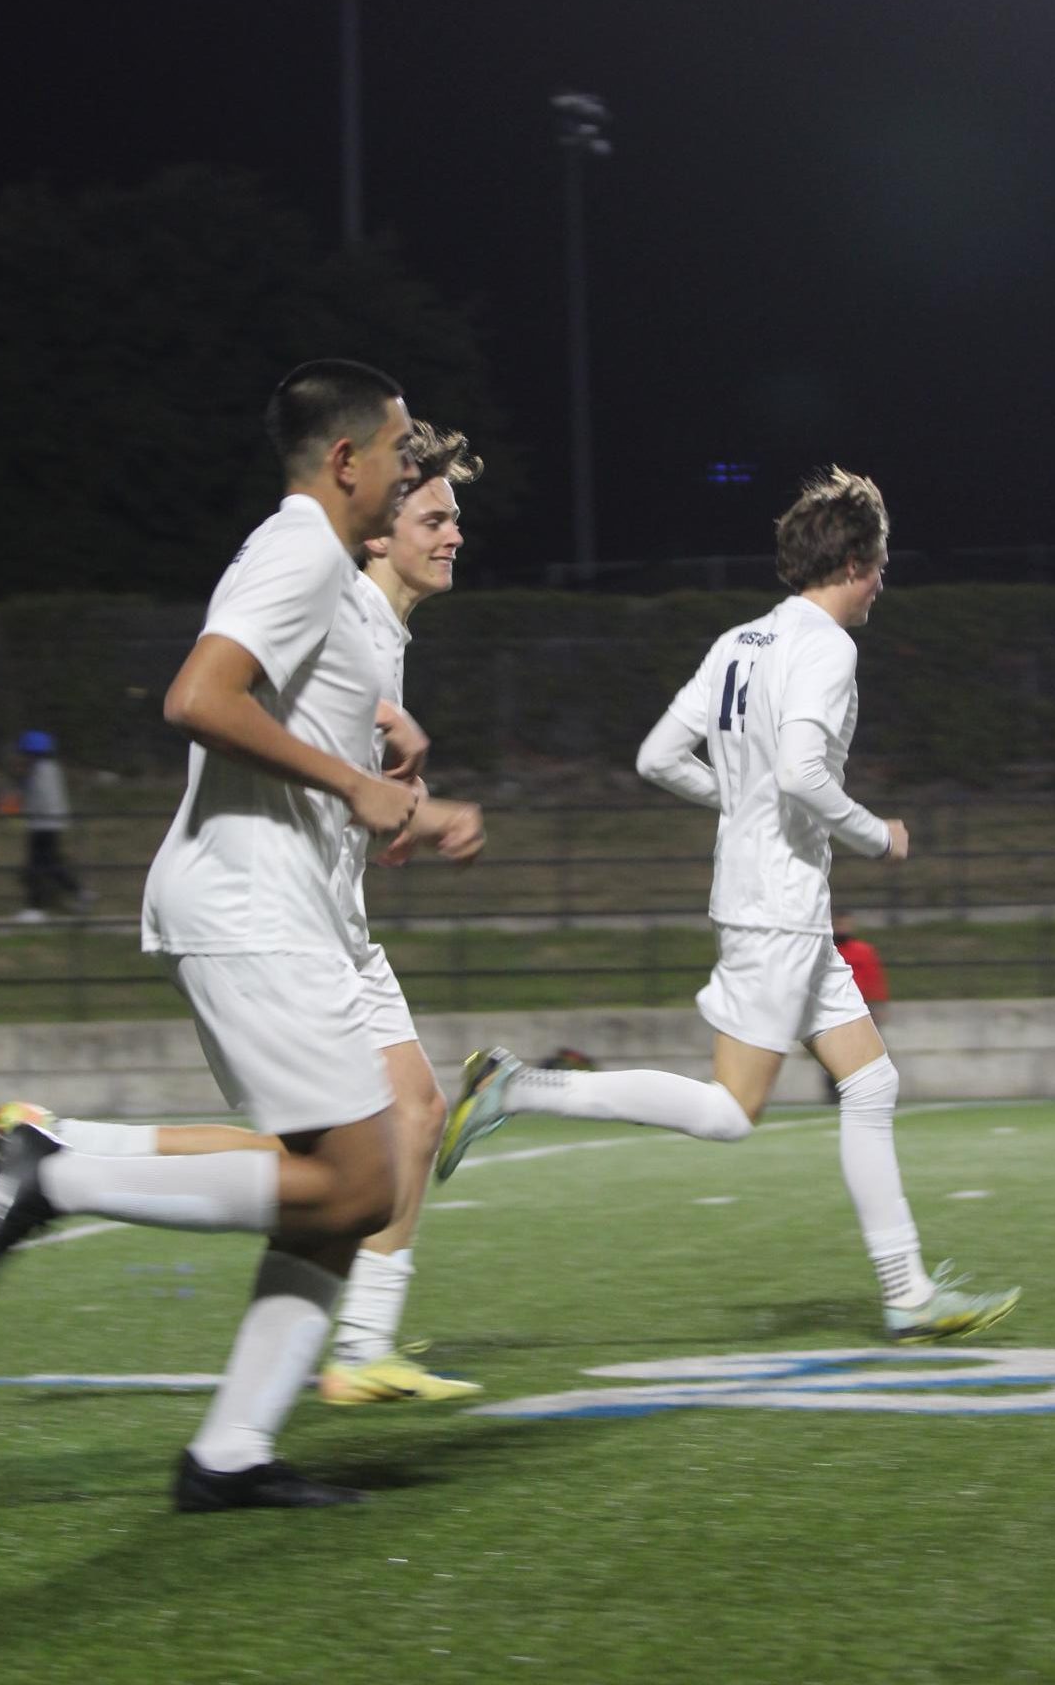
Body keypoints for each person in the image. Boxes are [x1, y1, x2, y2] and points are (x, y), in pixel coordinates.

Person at [0, 358, 455, 1512]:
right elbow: (199, 696)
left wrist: (385, 745)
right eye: (395, 449)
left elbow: (297, 685)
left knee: (355, 1180)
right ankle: (59, 1172)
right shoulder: (295, 544)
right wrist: (355, 783)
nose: (406, 466)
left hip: (300, 912)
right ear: (345, 462)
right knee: (353, 1185)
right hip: (249, 905)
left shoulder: (324, 565)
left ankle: (229, 1453)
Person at [435, 467, 1019, 1345]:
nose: (886, 579)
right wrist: (876, 835)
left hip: (781, 904)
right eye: (883, 562)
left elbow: (657, 757)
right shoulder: (827, 647)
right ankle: (521, 1086)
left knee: (870, 1079)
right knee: (729, 1112)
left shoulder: (739, 640)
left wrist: (739, 806)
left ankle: (906, 1290)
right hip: (779, 906)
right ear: (858, 562)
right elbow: (800, 773)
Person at [9, 730, 91, 921]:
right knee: (50, 864)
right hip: (49, 823)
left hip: (43, 824)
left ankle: (35, 908)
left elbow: (32, 797)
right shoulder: (50, 768)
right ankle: (79, 893)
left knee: (37, 865)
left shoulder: (40, 771)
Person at [825, 912, 889, 1102]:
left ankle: (877, 1089)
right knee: (832, 1050)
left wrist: (878, 1004)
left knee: (871, 1048)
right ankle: (834, 1092)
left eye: (845, 924)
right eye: (838, 924)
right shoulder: (826, 950)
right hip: (833, 1004)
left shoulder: (863, 950)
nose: (842, 928)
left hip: (862, 1005)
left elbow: (874, 977)